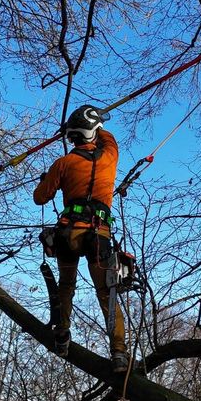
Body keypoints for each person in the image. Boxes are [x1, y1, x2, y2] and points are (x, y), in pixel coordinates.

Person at [33, 105, 129, 372]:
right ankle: (119, 353)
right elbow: (106, 135)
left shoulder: (63, 164)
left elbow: (40, 197)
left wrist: (48, 180)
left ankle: (62, 334)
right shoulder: (110, 155)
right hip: (98, 235)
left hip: (69, 234)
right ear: (94, 132)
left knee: (66, 288)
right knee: (106, 293)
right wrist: (92, 123)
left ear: (72, 137)